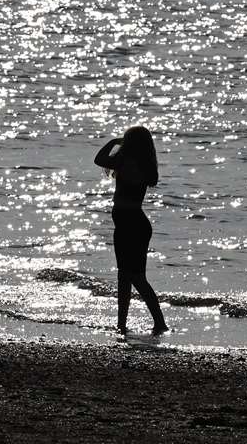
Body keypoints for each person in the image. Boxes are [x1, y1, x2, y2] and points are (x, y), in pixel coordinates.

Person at [94, 125, 168, 335]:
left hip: (130, 224)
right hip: (134, 223)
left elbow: (99, 159)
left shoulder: (126, 162)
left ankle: (157, 322)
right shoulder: (145, 166)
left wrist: (114, 142)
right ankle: (123, 324)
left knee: (133, 277)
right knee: (127, 276)